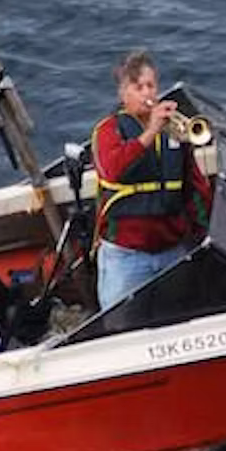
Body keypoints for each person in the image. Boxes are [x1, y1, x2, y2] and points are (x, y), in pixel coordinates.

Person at [91, 50, 212, 310]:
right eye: (138, 87)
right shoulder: (108, 130)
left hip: (172, 251)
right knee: (121, 323)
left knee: (177, 316)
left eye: (151, 85)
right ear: (123, 94)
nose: (148, 93)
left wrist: (202, 232)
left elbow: (193, 187)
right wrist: (150, 133)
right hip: (126, 257)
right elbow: (113, 170)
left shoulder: (174, 131)